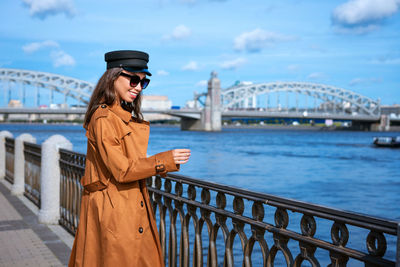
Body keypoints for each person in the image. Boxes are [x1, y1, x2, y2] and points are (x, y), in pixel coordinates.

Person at [68, 50, 190, 267]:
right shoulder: (104, 118)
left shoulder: (120, 118)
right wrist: (164, 160)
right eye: (133, 79)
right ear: (113, 77)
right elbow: (122, 170)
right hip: (114, 211)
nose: (138, 87)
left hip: (125, 206)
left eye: (143, 82)